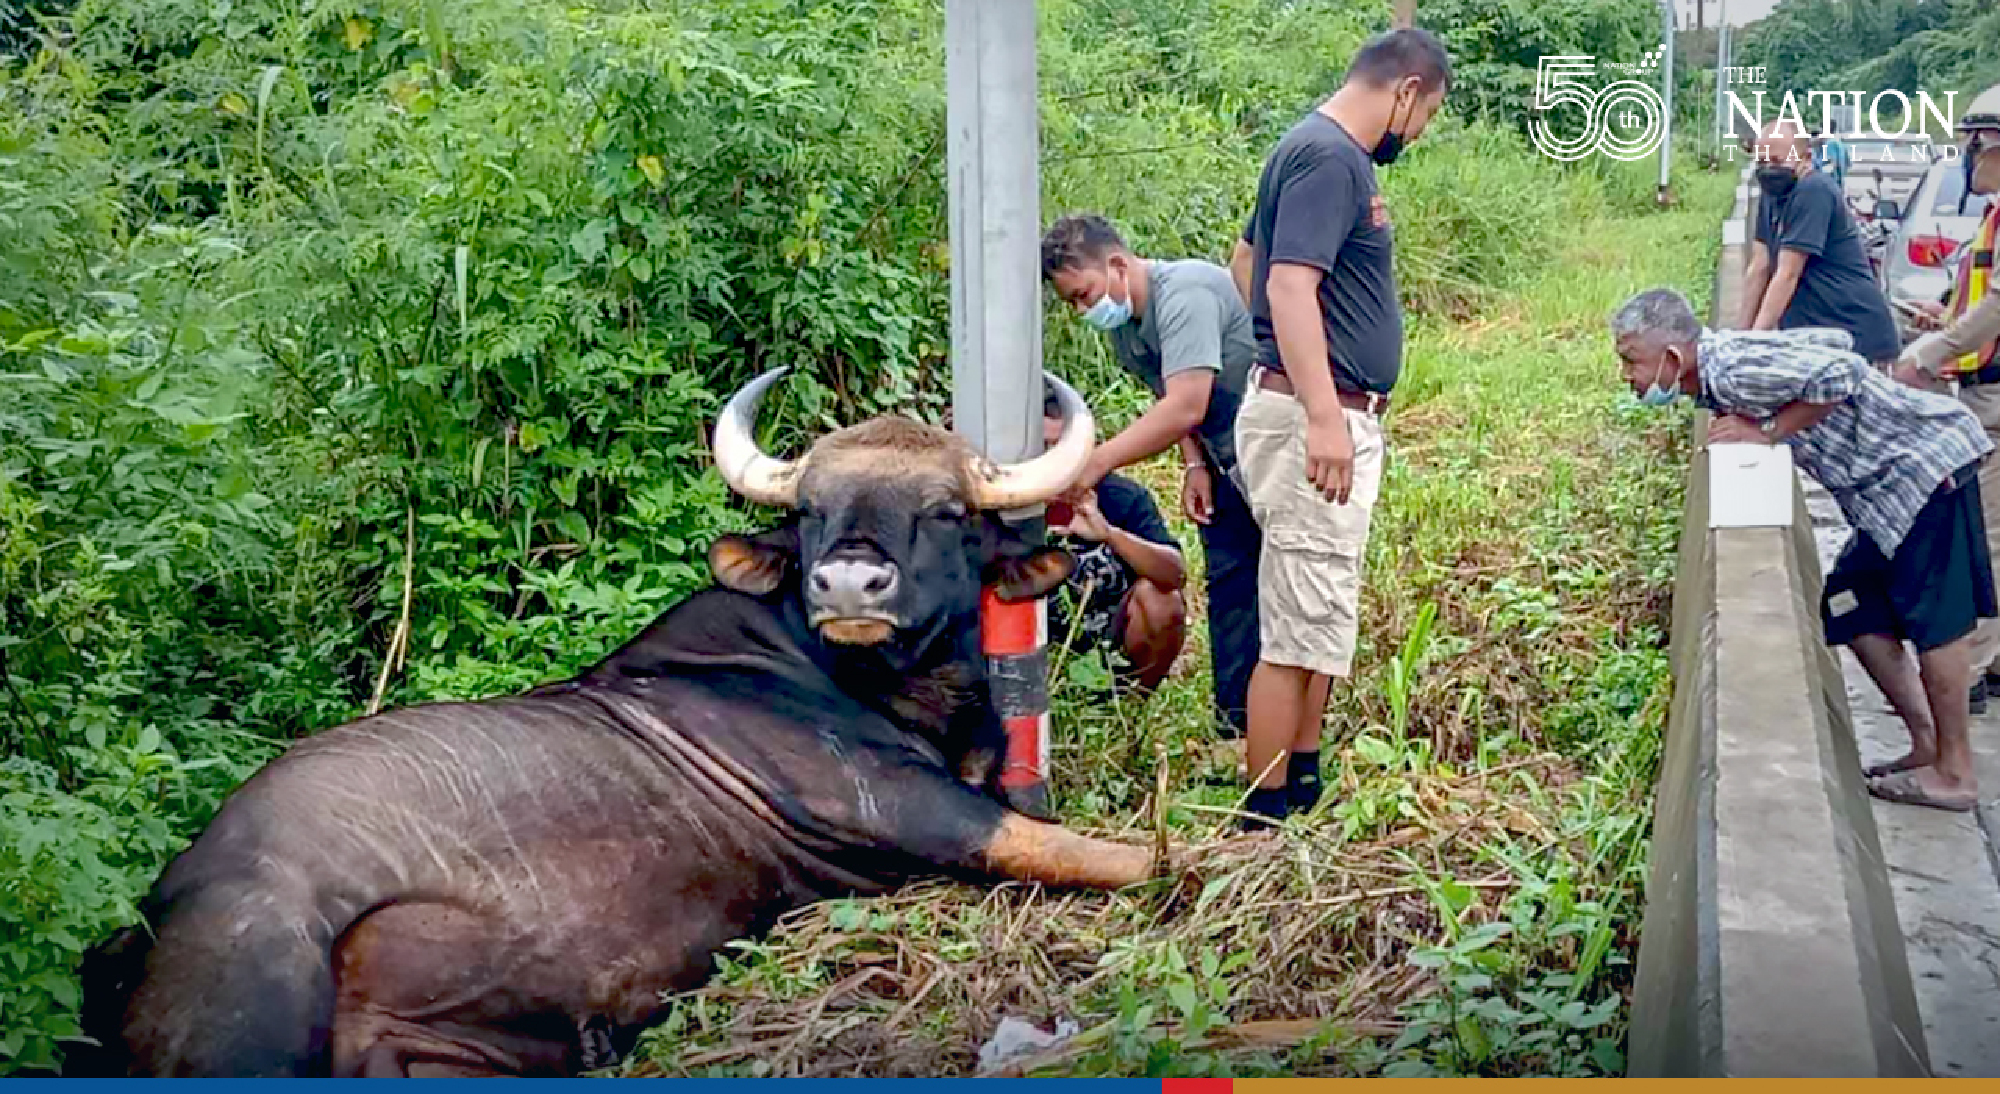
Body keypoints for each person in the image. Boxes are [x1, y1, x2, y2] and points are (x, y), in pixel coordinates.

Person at [1612, 287, 1995, 812]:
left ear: (1674, 358)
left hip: (1921, 469)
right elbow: (1833, 340)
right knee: (1851, 606)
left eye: (1631, 361)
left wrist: (1768, 430)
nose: (1627, 376)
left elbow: (1840, 370)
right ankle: (1927, 742)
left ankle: (1955, 773)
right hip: (1885, 498)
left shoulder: (1734, 371)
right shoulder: (1724, 368)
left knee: (1937, 624)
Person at [1225, 25, 1451, 828]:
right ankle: (1264, 817)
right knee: (1295, 626)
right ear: (1406, 92)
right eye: (1425, 117)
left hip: (1317, 408)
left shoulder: (1315, 151)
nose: (1416, 135)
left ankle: (1304, 776)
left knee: (1316, 606)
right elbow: (1285, 286)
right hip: (1315, 419)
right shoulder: (1328, 158)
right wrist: (1320, 411)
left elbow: (1244, 261)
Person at [1039, 214, 1263, 753]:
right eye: (1072, 303)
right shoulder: (1127, 330)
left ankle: (1290, 737)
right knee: (1231, 585)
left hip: (1271, 444)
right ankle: (1235, 733)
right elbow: (1169, 397)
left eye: (1084, 294)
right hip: (1222, 453)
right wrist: (1195, 464)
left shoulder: (1184, 294)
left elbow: (1186, 403)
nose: (1084, 310)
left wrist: (1093, 463)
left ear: (1118, 264)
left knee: (1283, 582)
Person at [1895, 82, 2000, 716]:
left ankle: (1973, 671)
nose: (1971, 155)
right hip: (1985, 388)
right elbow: (1979, 304)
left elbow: (1997, 310)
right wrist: (1942, 320)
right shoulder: (1994, 218)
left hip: (1995, 399)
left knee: (1986, 536)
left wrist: (1926, 356)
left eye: (1979, 143)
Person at [1038, 384, 1189, 696]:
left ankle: (1129, 704)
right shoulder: (1002, 504)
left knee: (1162, 601)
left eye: (1061, 448)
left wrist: (1109, 533)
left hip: (1108, 643)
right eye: (1042, 449)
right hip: (1028, 644)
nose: (1054, 462)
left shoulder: (1121, 497)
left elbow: (1174, 574)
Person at [1741, 120, 1902, 369]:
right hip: (1813, 336)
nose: (1768, 169)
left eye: (1777, 161)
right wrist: (1737, 338)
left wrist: (1755, 340)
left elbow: (1787, 273)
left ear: (1805, 159)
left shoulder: (1813, 190)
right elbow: (1759, 266)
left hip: (1853, 333)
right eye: (1762, 162)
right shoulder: (1771, 195)